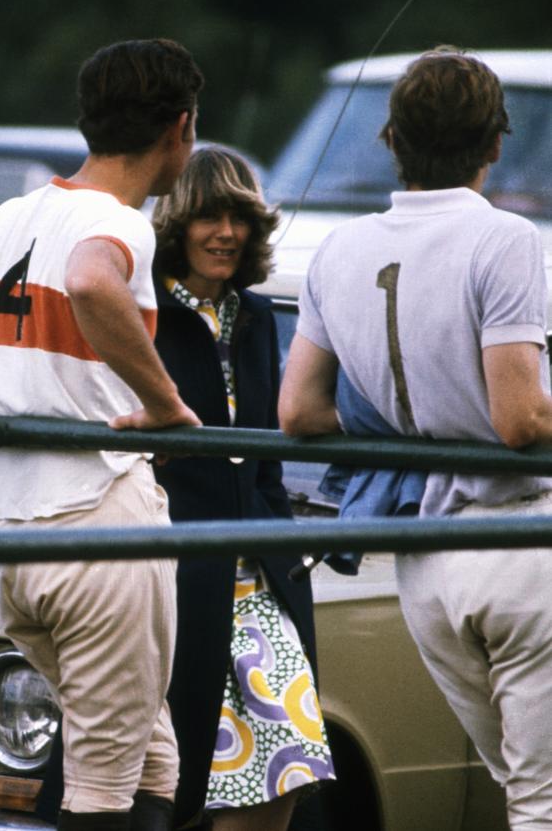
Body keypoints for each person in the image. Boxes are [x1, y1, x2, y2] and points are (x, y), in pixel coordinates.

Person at [0, 37, 204, 831]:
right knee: (103, 789)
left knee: (153, 759)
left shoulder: (13, 217)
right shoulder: (121, 225)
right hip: (102, 527)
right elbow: (90, 278)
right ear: (180, 129)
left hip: (14, 546)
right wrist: (166, 401)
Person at [279, 46, 552, 830]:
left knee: (522, 787)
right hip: (519, 541)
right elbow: (519, 418)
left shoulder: (338, 249)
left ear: (391, 140)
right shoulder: (503, 239)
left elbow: (297, 410)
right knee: (539, 801)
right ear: (497, 143)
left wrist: (410, 411)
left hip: (424, 565)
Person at [151, 146, 335, 830]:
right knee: (181, 777)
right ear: (179, 223)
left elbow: (265, 464)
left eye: (240, 217)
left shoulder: (256, 318)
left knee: (292, 758)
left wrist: (284, 547)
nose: (225, 232)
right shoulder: (144, 313)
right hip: (175, 578)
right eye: (208, 216)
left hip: (259, 576)